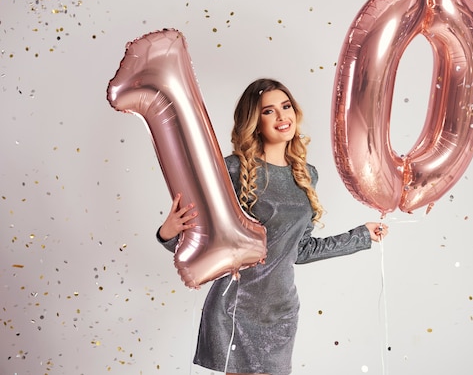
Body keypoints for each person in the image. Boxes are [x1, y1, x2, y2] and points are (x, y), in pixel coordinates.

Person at [156, 78, 389, 375]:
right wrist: (167, 233)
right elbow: (204, 243)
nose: (282, 117)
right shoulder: (232, 170)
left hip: (281, 311)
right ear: (254, 121)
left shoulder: (307, 175)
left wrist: (360, 236)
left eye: (286, 106)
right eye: (268, 111)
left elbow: (301, 250)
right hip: (236, 306)